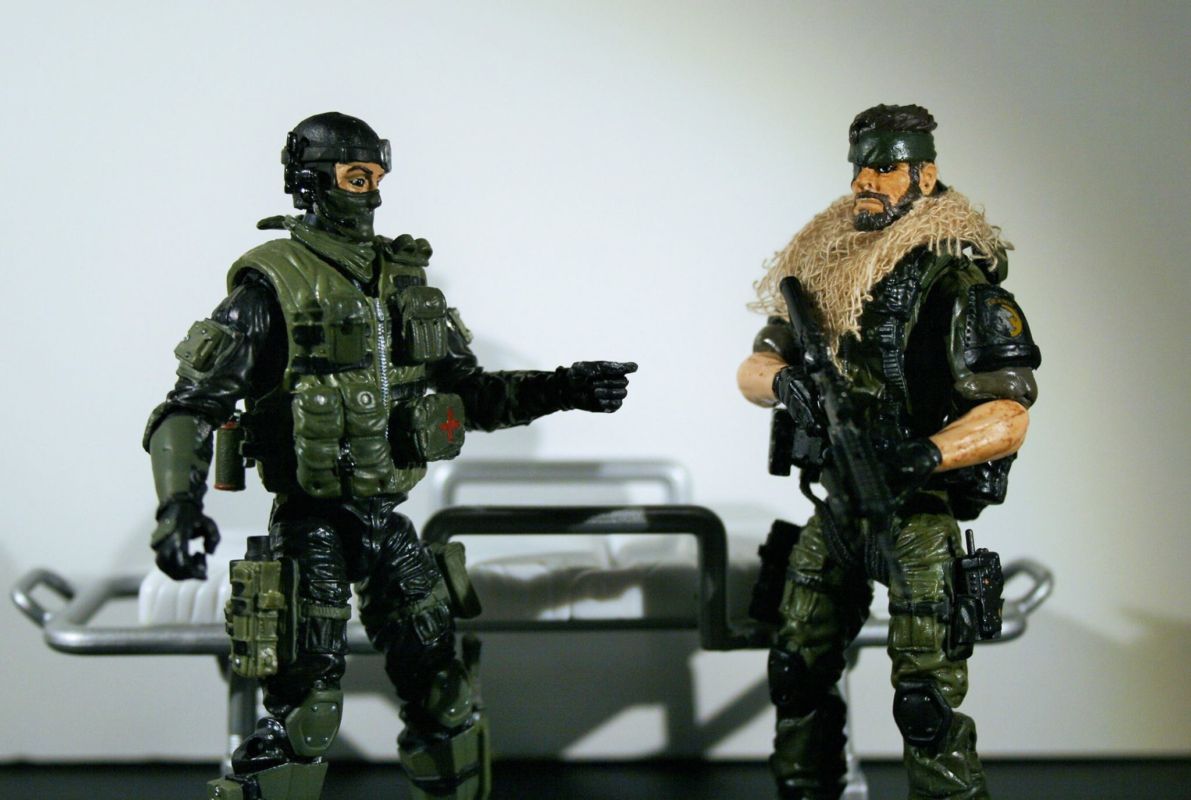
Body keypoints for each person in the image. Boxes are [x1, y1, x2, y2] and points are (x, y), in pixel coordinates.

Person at [145, 111, 635, 800]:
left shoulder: (405, 280)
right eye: (355, 176)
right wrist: (178, 505)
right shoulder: (270, 285)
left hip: (388, 523)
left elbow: (470, 394)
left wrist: (563, 388)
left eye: (376, 175)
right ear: (311, 182)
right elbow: (192, 404)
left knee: (446, 696)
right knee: (306, 714)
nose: (370, 192)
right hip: (310, 526)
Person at [738, 104, 1040, 800]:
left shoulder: (959, 285)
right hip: (837, 506)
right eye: (859, 168)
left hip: (916, 517)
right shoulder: (824, 268)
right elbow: (751, 370)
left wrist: (923, 457)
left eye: (884, 167)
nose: (865, 182)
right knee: (795, 672)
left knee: (925, 705)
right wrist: (783, 381)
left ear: (924, 176)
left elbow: (1008, 413)